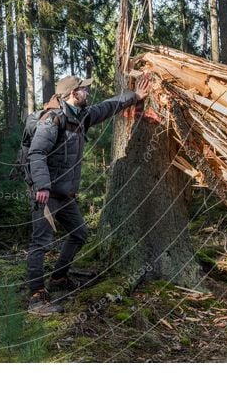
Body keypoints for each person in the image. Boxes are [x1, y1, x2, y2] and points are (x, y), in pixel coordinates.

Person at [26, 72, 152, 315]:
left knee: (80, 234)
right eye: (84, 89)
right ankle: (36, 297)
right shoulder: (52, 120)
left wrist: (134, 95)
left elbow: (107, 107)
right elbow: (36, 153)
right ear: (73, 94)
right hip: (46, 194)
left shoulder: (80, 116)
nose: (88, 92)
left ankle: (59, 278)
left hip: (65, 194)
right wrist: (42, 185)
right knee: (40, 243)